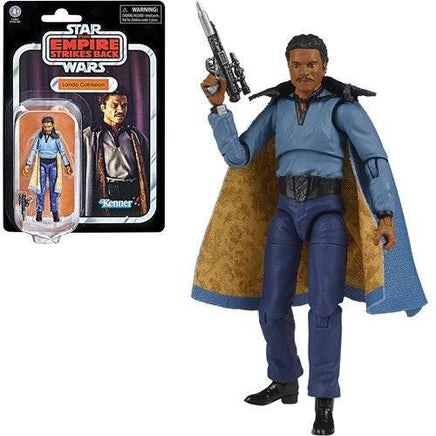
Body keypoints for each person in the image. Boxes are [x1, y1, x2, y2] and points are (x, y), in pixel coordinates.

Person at [193, 34, 426, 435]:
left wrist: (385, 214)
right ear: (288, 67)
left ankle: (323, 400)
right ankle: (284, 379)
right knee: (271, 306)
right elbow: (239, 156)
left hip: (326, 213)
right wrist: (219, 109)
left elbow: (374, 159)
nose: (304, 72)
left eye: (312, 64)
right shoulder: (278, 107)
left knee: (324, 309)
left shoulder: (342, 107)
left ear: (325, 66)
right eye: (297, 65)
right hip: (286, 211)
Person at [83, 89, 149, 217]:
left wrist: (142, 193)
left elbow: (151, 164)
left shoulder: (135, 135)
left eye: (124, 105)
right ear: (103, 107)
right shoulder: (89, 135)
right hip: (104, 196)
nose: (120, 110)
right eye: (115, 105)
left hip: (132, 196)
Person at [23, 116, 72, 222]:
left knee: (54, 189)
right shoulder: (39, 138)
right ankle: (39, 212)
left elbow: (62, 152)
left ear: (52, 125)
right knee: (40, 188)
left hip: (53, 164)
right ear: (42, 126)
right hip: (41, 164)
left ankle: (55, 212)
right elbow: (33, 150)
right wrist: (28, 164)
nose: (47, 129)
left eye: (49, 126)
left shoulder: (57, 139)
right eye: (45, 127)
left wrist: (67, 165)